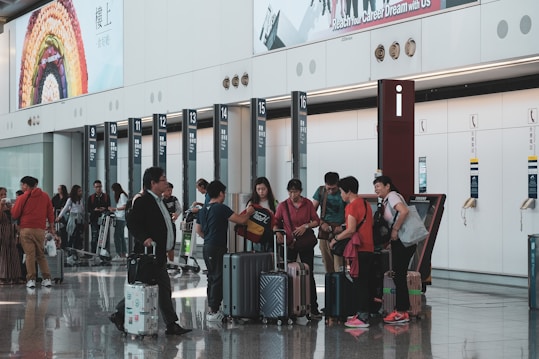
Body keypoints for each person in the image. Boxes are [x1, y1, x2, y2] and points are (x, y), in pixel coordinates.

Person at [109, 166, 191, 336]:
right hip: (148, 254)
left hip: (158, 253)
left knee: (163, 288)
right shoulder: (143, 200)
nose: (166, 182)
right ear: (153, 183)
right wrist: (144, 238)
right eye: (163, 179)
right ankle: (119, 314)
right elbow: (132, 222)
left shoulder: (159, 200)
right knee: (142, 286)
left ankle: (171, 324)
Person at [195, 180, 254, 322]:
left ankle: (212, 307)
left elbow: (198, 230)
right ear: (221, 193)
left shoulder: (203, 210)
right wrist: (249, 212)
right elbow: (240, 220)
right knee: (217, 277)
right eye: (224, 193)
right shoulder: (221, 208)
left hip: (206, 247)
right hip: (217, 247)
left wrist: (208, 238)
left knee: (211, 276)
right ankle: (214, 310)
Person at [274, 178, 323, 319]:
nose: (292, 195)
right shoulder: (283, 205)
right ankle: (288, 307)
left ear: (300, 191)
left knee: (309, 273)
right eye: (290, 192)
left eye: (295, 192)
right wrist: (278, 233)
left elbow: (316, 221)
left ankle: (313, 308)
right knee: (288, 273)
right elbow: (276, 222)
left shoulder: (307, 204)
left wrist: (305, 226)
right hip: (290, 243)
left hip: (306, 243)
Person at [329, 176, 374, 328]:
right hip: (369, 248)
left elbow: (351, 230)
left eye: (341, 191)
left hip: (358, 249)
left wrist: (336, 238)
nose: (341, 194)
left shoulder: (351, 206)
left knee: (359, 283)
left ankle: (362, 317)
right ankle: (363, 314)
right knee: (366, 282)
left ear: (348, 191)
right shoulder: (366, 204)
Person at [373, 175, 414, 325]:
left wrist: (395, 230)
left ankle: (402, 311)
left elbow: (403, 211)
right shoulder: (387, 200)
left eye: (378, 186)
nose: (376, 189)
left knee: (399, 274)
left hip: (404, 240)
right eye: (375, 186)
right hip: (400, 241)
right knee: (399, 274)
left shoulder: (392, 196)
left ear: (387, 186)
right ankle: (403, 309)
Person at [10, 176, 56, 289]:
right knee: (41, 255)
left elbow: (15, 214)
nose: (21, 187)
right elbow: (50, 212)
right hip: (40, 229)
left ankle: (31, 280)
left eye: (22, 185)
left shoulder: (22, 197)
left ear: (26, 185)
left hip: (26, 229)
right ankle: (47, 279)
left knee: (30, 255)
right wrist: (51, 226)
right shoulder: (45, 196)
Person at [312, 171, 346, 273]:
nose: (330, 191)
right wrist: (322, 223)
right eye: (328, 188)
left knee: (339, 265)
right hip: (324, 231)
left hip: (340, 232)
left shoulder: (343, 192)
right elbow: (311, 212)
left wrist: (342, 227)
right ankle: (330, 286)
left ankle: (339, 286)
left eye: (333, 188)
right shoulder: (321, 191)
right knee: (327, 264)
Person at [246, 177, 278, 252]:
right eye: (258, 189)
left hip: (269, 237)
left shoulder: (274, 203)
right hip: (254, 236)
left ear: (268, 189)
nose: (261, 192)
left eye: (263, 189)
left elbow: (277, 219)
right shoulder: (251, 203)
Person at [56, 185, 85, 263]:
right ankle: (70, 254)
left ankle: (75, 254)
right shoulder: (70, 200)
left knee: (78, 238)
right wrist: (59, 217)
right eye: (79, 191)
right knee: (72, 236)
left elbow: (82, 209)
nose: (80, 192)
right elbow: (65, 208)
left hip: (79, 218)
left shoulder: (80, 199)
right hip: (73, 218)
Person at [0, 187, 22, 284]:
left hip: (11, 230)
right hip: (2, 231)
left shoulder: (8, 205)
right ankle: (3, 277)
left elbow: (14, 217)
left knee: (13, 252)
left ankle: (15, 275)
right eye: (1, 195)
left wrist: (11, 208)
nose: (4, 196)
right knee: (3, 253)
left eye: (5, 194)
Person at [87, 180, 111, 254]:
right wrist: (95, 210)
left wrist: (104, 209)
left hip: (104, 219)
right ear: (94, 187)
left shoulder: (106, 197)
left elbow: (109, 207)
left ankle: (104, 253)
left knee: (104, 237)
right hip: (94, 219)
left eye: (100, 187)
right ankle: (94, 252)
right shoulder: (91, 197)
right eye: (97, 187)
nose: (98, 188)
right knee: (95, 236)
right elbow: (88, 209)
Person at [162, 182, 181, 267]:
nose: (170, 192)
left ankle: (171, 262)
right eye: (168, 190)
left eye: (171, 190)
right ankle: (164, 262)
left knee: (171, 244)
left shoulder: (174, 199)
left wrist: (176, 215)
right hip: (162, 225)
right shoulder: (160, 200)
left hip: (171, 224)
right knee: (163, 243)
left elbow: (179, 209)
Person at [109, 183, 129, 260]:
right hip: (120, 217)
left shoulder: (122, 196)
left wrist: (115, 209)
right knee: (121, 236)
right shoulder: (122, 195)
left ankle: (119, 253)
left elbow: (125, 206)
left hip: (121, 218)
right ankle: (123, 253)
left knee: (117, 236)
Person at [51, 185, 68, 250]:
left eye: (60, 189)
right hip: (56, 215)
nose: (58, 190)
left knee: (64, 231)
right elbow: (51, 205)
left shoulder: (67, 197)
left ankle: (64, 244)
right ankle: (58, 244)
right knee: (57, 231)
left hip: (64, 216)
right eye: (58, 189)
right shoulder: (56, 197)